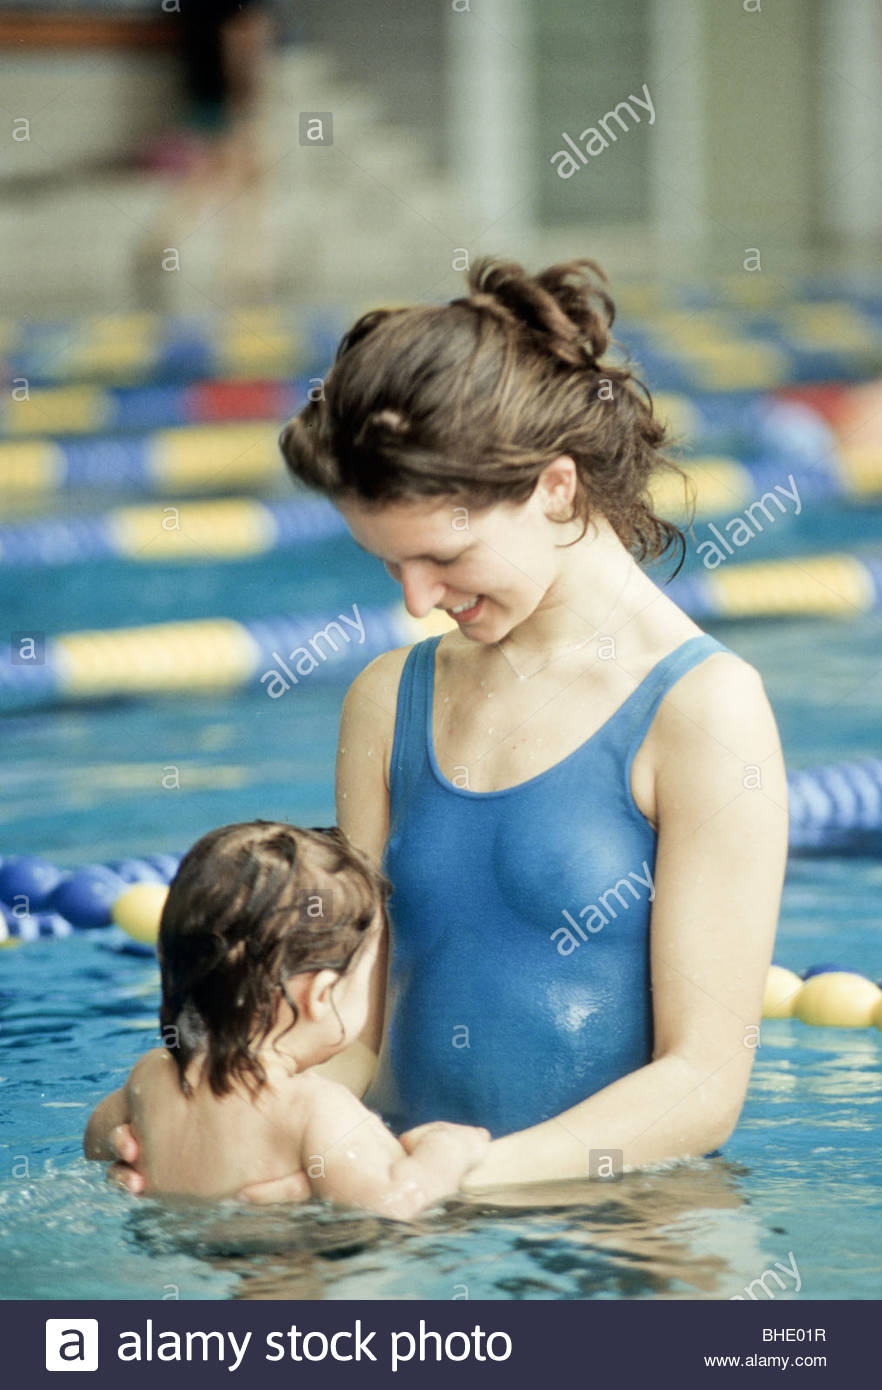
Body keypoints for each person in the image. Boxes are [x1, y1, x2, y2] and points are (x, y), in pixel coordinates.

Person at [95, 255, 789, 1200]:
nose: (420, 600)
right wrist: (216, 1131)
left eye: (443, 555)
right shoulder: (389, 701)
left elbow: (702, 1084)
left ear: (554, 487)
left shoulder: (704, 711)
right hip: (402, 1223)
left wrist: (464, 1175)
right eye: (390, 567)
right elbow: (361, 1033)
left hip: (626, 1226)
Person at [83, 820, 489, 1218]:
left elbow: (98, 1141)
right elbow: (394, 1202)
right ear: (322, 995)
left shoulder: (151, 1076)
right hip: (311, 1270)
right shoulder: (313, 1109)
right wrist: (451, 1151)